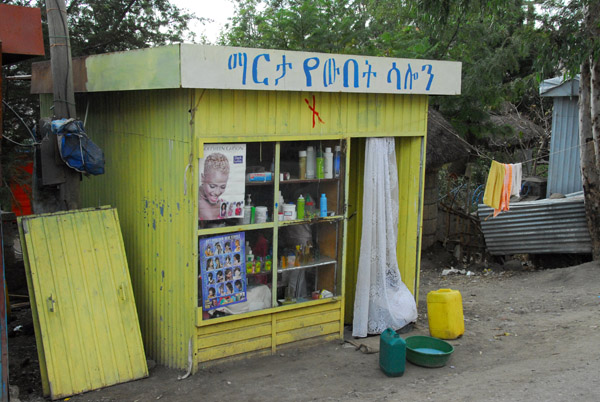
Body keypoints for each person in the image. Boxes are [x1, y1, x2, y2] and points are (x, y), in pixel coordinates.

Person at [199, 152, 230, 220]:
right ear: (202, 178)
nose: (217, 192)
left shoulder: (224, 204)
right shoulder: (193, 200)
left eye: (222, 187)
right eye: (212, 186)